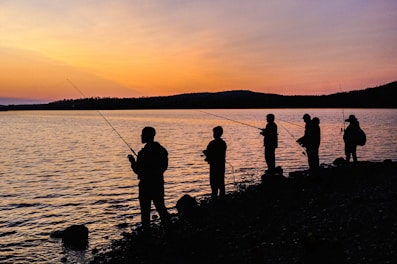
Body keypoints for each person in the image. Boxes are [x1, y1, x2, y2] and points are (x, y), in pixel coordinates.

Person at [128, 127, 170, 231]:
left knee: (145, 212)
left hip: (145, 185)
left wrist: (132, 162)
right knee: (161, 208)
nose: (141, 136)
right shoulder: (162, 150)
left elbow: (138, 170)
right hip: (158, 184)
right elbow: (164, 167)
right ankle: (169, 231)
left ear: (148, 136)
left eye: (143, 134)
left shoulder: (143, 153)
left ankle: (147, 236)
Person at [203, 126, 227, 201]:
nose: (213, 134)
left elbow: (210, 154)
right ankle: (222, 200)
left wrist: (205, 153)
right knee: (221, 184)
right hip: (221, 166)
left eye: (214, 132)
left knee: (214, 185)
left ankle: (215, 200)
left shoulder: (212, 143)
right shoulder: (223, 143)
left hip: (214, 166)